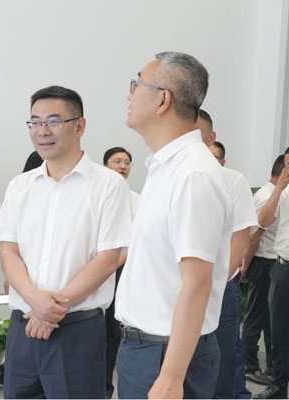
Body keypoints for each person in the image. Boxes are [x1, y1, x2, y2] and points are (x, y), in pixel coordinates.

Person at [0, 85, 132, 398]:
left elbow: (107, 259)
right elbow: (9, 252)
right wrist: (36, 302)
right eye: (35, 122)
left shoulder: (108, 185)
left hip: (77, 330)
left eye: (53, 121)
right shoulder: (20, 186)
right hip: (24, 325)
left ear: (79, 126)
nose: (42, 131)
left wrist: (52, 309)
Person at [115, 52, 233, 399]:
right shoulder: (165, 168)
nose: (129, 94)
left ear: (163, 99)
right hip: (146, 350)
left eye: (136, 84)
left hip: (166, 356)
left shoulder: (192, 175)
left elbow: (197, 283)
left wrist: (170, 378)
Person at [197, 112, 257, 399]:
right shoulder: (171, 174)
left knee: (224, 352)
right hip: (184, 286)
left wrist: (217, 283)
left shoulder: (233, 180)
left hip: (220, 286)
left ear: (212, 138)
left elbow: (240, 237)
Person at [241, 155, 284, 386]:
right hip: (262, 262)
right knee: (255, 318)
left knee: (270, 320)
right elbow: (254, 236)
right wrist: (245, 265)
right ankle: (249, 366)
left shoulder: (276, 194)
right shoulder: (266, 196)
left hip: (271, 263)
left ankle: (271, 366)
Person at [102, 145, 140, 398]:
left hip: (123, 268)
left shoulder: (137, 199)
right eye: (117, 161)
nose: (123, 166)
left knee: (113, 330)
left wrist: (114, 263)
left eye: (127, 162)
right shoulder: (96, 194)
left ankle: (105, 388)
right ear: (105, 165)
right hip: (94, 267)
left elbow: (136, 240)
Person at [254, 148, 289, 399]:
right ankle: (278, 385)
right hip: (283, 267)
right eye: (287, 163)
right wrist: (279, 188)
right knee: (279, 330)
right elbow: (263, 221)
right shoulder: (283, 193)